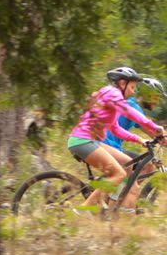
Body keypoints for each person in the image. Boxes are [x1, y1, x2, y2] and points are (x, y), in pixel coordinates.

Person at [67, 67, 167, 211]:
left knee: (127, 164)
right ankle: (84, 209)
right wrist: (155, 127)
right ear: (122, 83)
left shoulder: (111, 101)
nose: (133, 91)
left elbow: (115, 128)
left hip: (90, 140)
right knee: (119, 174)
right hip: (84, 141)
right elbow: (129, 113)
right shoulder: (113, 94)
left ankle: (112, 207)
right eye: (132, 87)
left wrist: (139, 140)